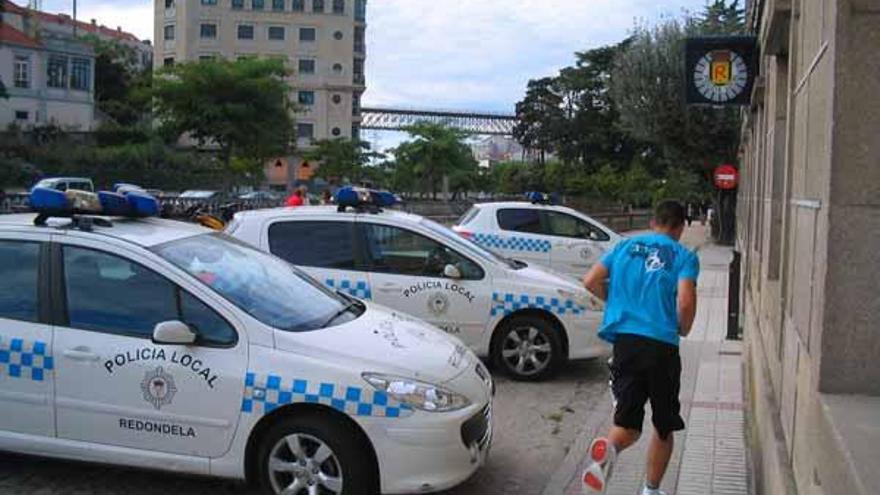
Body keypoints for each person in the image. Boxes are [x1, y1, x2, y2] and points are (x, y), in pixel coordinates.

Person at [580, 200, 699, 495]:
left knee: (628, 424)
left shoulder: (623, 247)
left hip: (626, 344)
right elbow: (685, 301)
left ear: (653, 222)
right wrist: (682, 327)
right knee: (663, 424)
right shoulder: (683, 255)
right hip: (662, 346)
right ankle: (651, 490)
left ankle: (608, 450)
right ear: (681, 227)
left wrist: (619, 302)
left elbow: (590, 280)